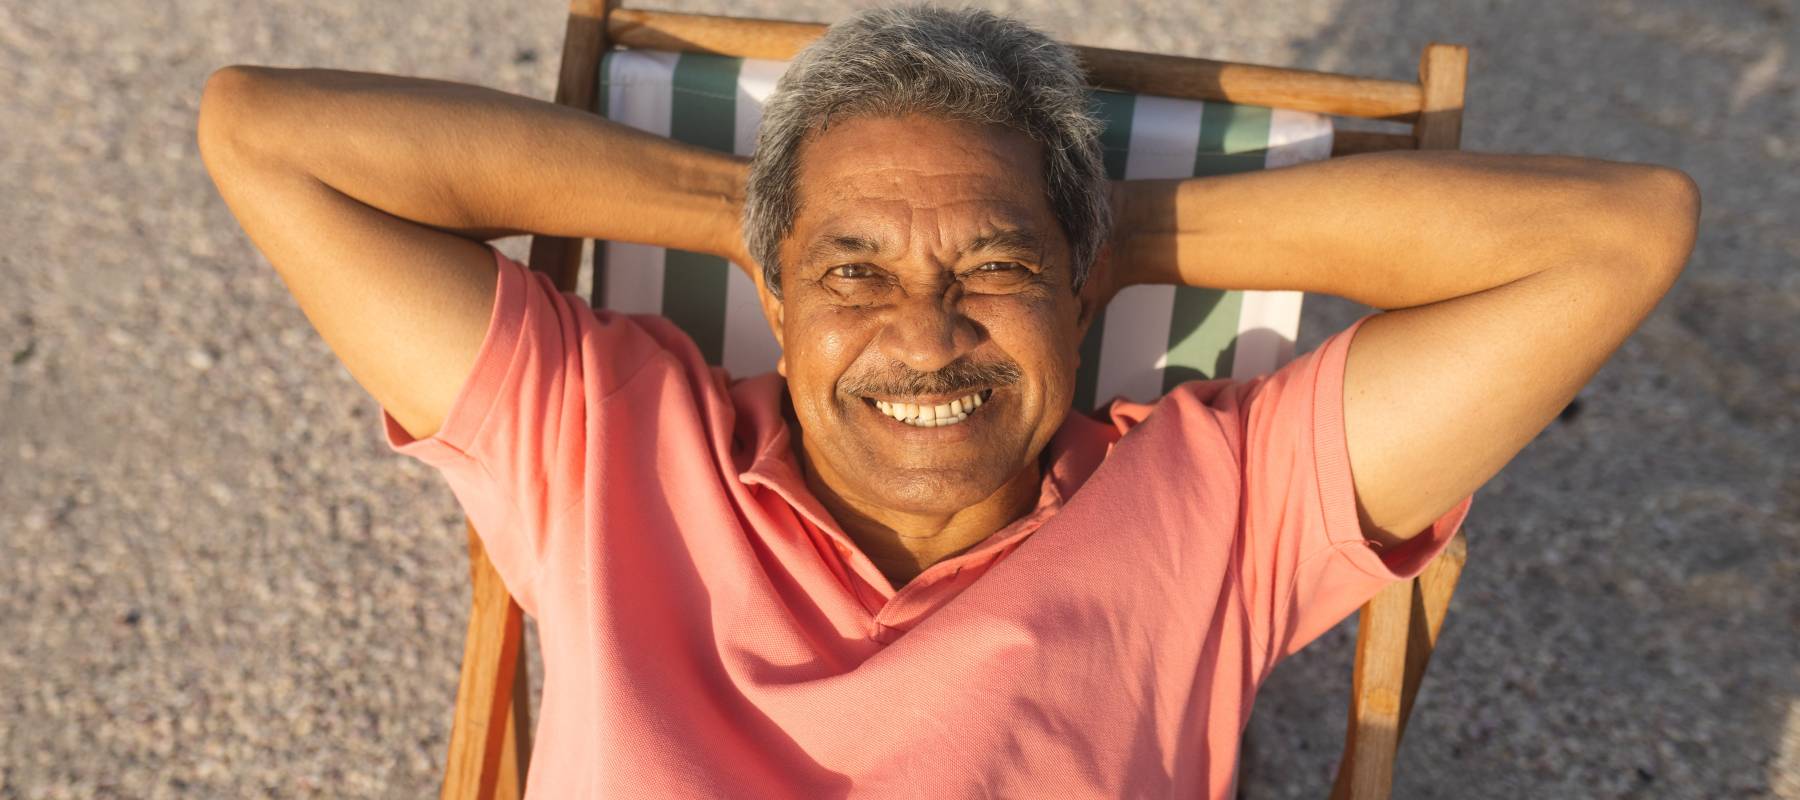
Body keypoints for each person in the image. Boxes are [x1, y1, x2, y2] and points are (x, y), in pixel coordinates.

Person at [195, 5, 1698, 798]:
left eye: (992, 267)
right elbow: (262, 132)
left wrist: (1106, 245)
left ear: (1077, 285)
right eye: (852, 276)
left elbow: (1622, 234)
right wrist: (757, 214)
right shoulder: (605, 442)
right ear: (770, 292)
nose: (926, 335)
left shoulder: (1219, 507)